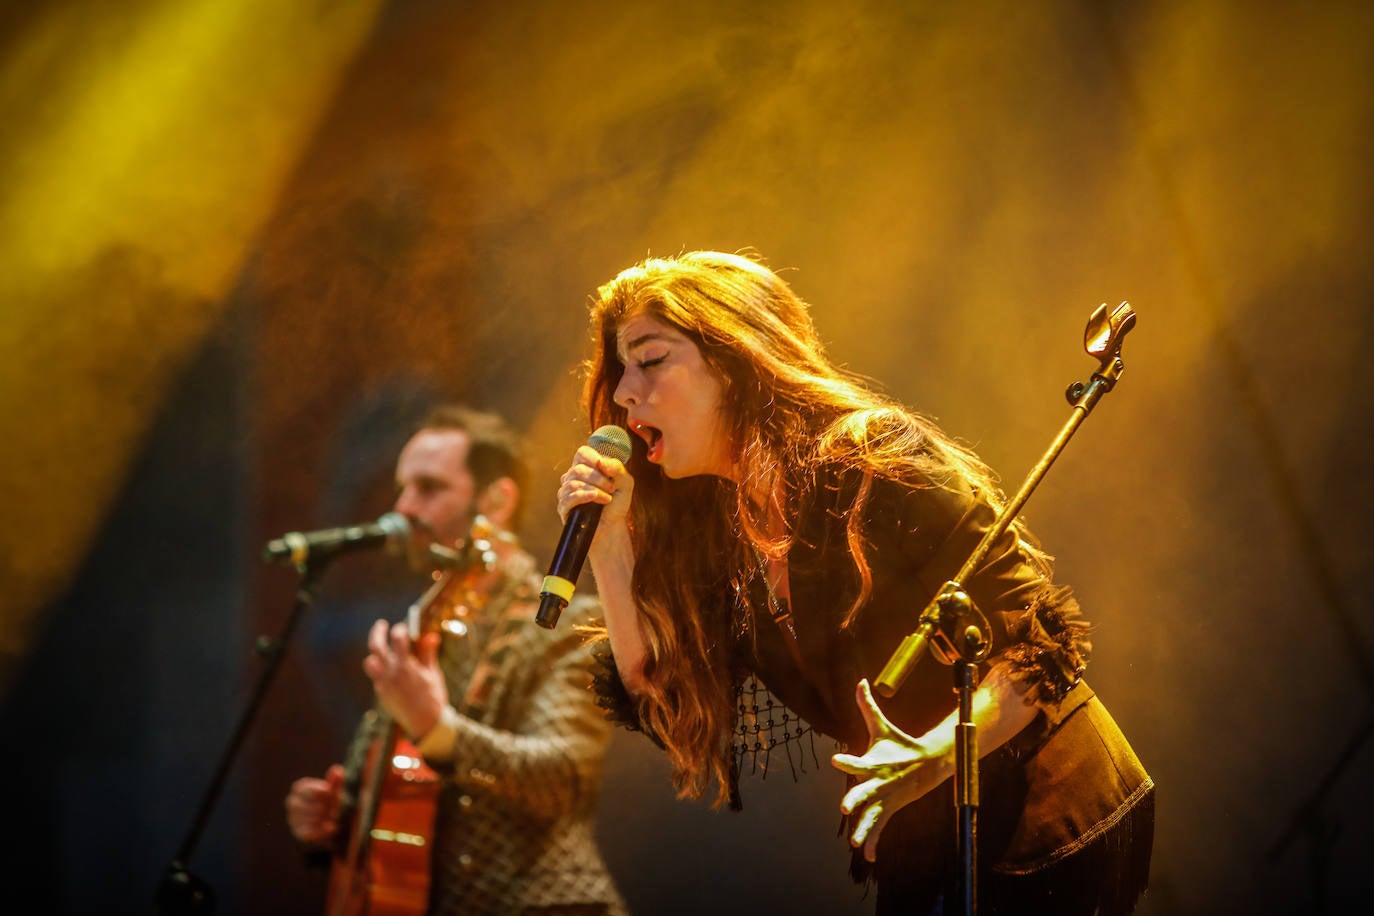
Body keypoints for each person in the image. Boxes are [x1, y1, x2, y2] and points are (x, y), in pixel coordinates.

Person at [556, 251, 1153, 914]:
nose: (623, 393)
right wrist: (610, 547)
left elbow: (1040, 643)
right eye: (619, 370)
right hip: (925, 829)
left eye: (651, 359)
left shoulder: (871, 458)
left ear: (733, 359)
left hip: (1050, 810)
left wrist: (924, 759)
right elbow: (660, 695)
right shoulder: (722, 538)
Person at [286, 404, 627, 916]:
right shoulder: (424, 624)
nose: (402, 508)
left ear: (496, 501)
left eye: (428, 488)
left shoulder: (572, 625)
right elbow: (398, 799)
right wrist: (331, 820)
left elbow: (564, 778)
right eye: (403, 488)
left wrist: (439, 729)